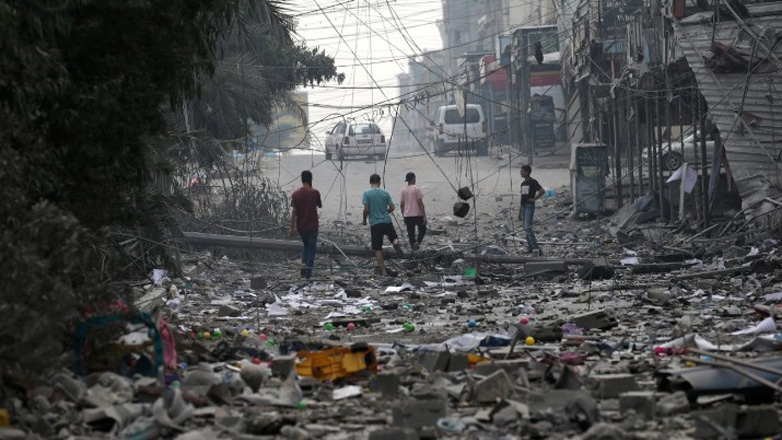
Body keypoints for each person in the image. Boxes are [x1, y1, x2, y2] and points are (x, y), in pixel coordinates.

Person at [362, 174, 403, 276]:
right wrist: (385, 212)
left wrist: (364, 220)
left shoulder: (367, 193)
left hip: (375, 224)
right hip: (387, 221)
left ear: (370, 182)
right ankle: (395, 242)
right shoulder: (385, 193)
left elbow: (366, 209)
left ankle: (383, 271)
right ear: (379, 182)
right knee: (394, 237)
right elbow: (392, 207)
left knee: (377, 248)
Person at [290, 170, 322, 279]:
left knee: (306, 245)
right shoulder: (315, 192)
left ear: (301, 179)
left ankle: (303, 266)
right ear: (311, 179)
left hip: (301, 226)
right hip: (312, 226)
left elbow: (294, 212)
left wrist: (292, 227)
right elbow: (319, 205)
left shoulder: (295, 194)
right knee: (311, 249)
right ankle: (307, 275)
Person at [519, 165, 544, 255]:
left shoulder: (533, 182)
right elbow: (522, 197)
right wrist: (520, 211)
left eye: (522, 171)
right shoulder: (523, 183)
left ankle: (535, 247)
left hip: (529, 206)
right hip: (524, 206)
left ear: (527, 172)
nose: (520, 173)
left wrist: (534, 199)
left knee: (528, 227)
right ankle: (530, 246)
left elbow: (542, 190)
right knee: (525, 228)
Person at [400, 172, 427, 250]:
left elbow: (402, 205)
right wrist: (424, 216)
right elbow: (420, 204)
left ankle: (413, 249)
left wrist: (403, 215)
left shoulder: (403, 190)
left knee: (411, 233)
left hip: (408, 215)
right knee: (422, 229)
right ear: (413, 179)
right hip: (418, 214)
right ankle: (418, 242)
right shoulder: (416, 188)